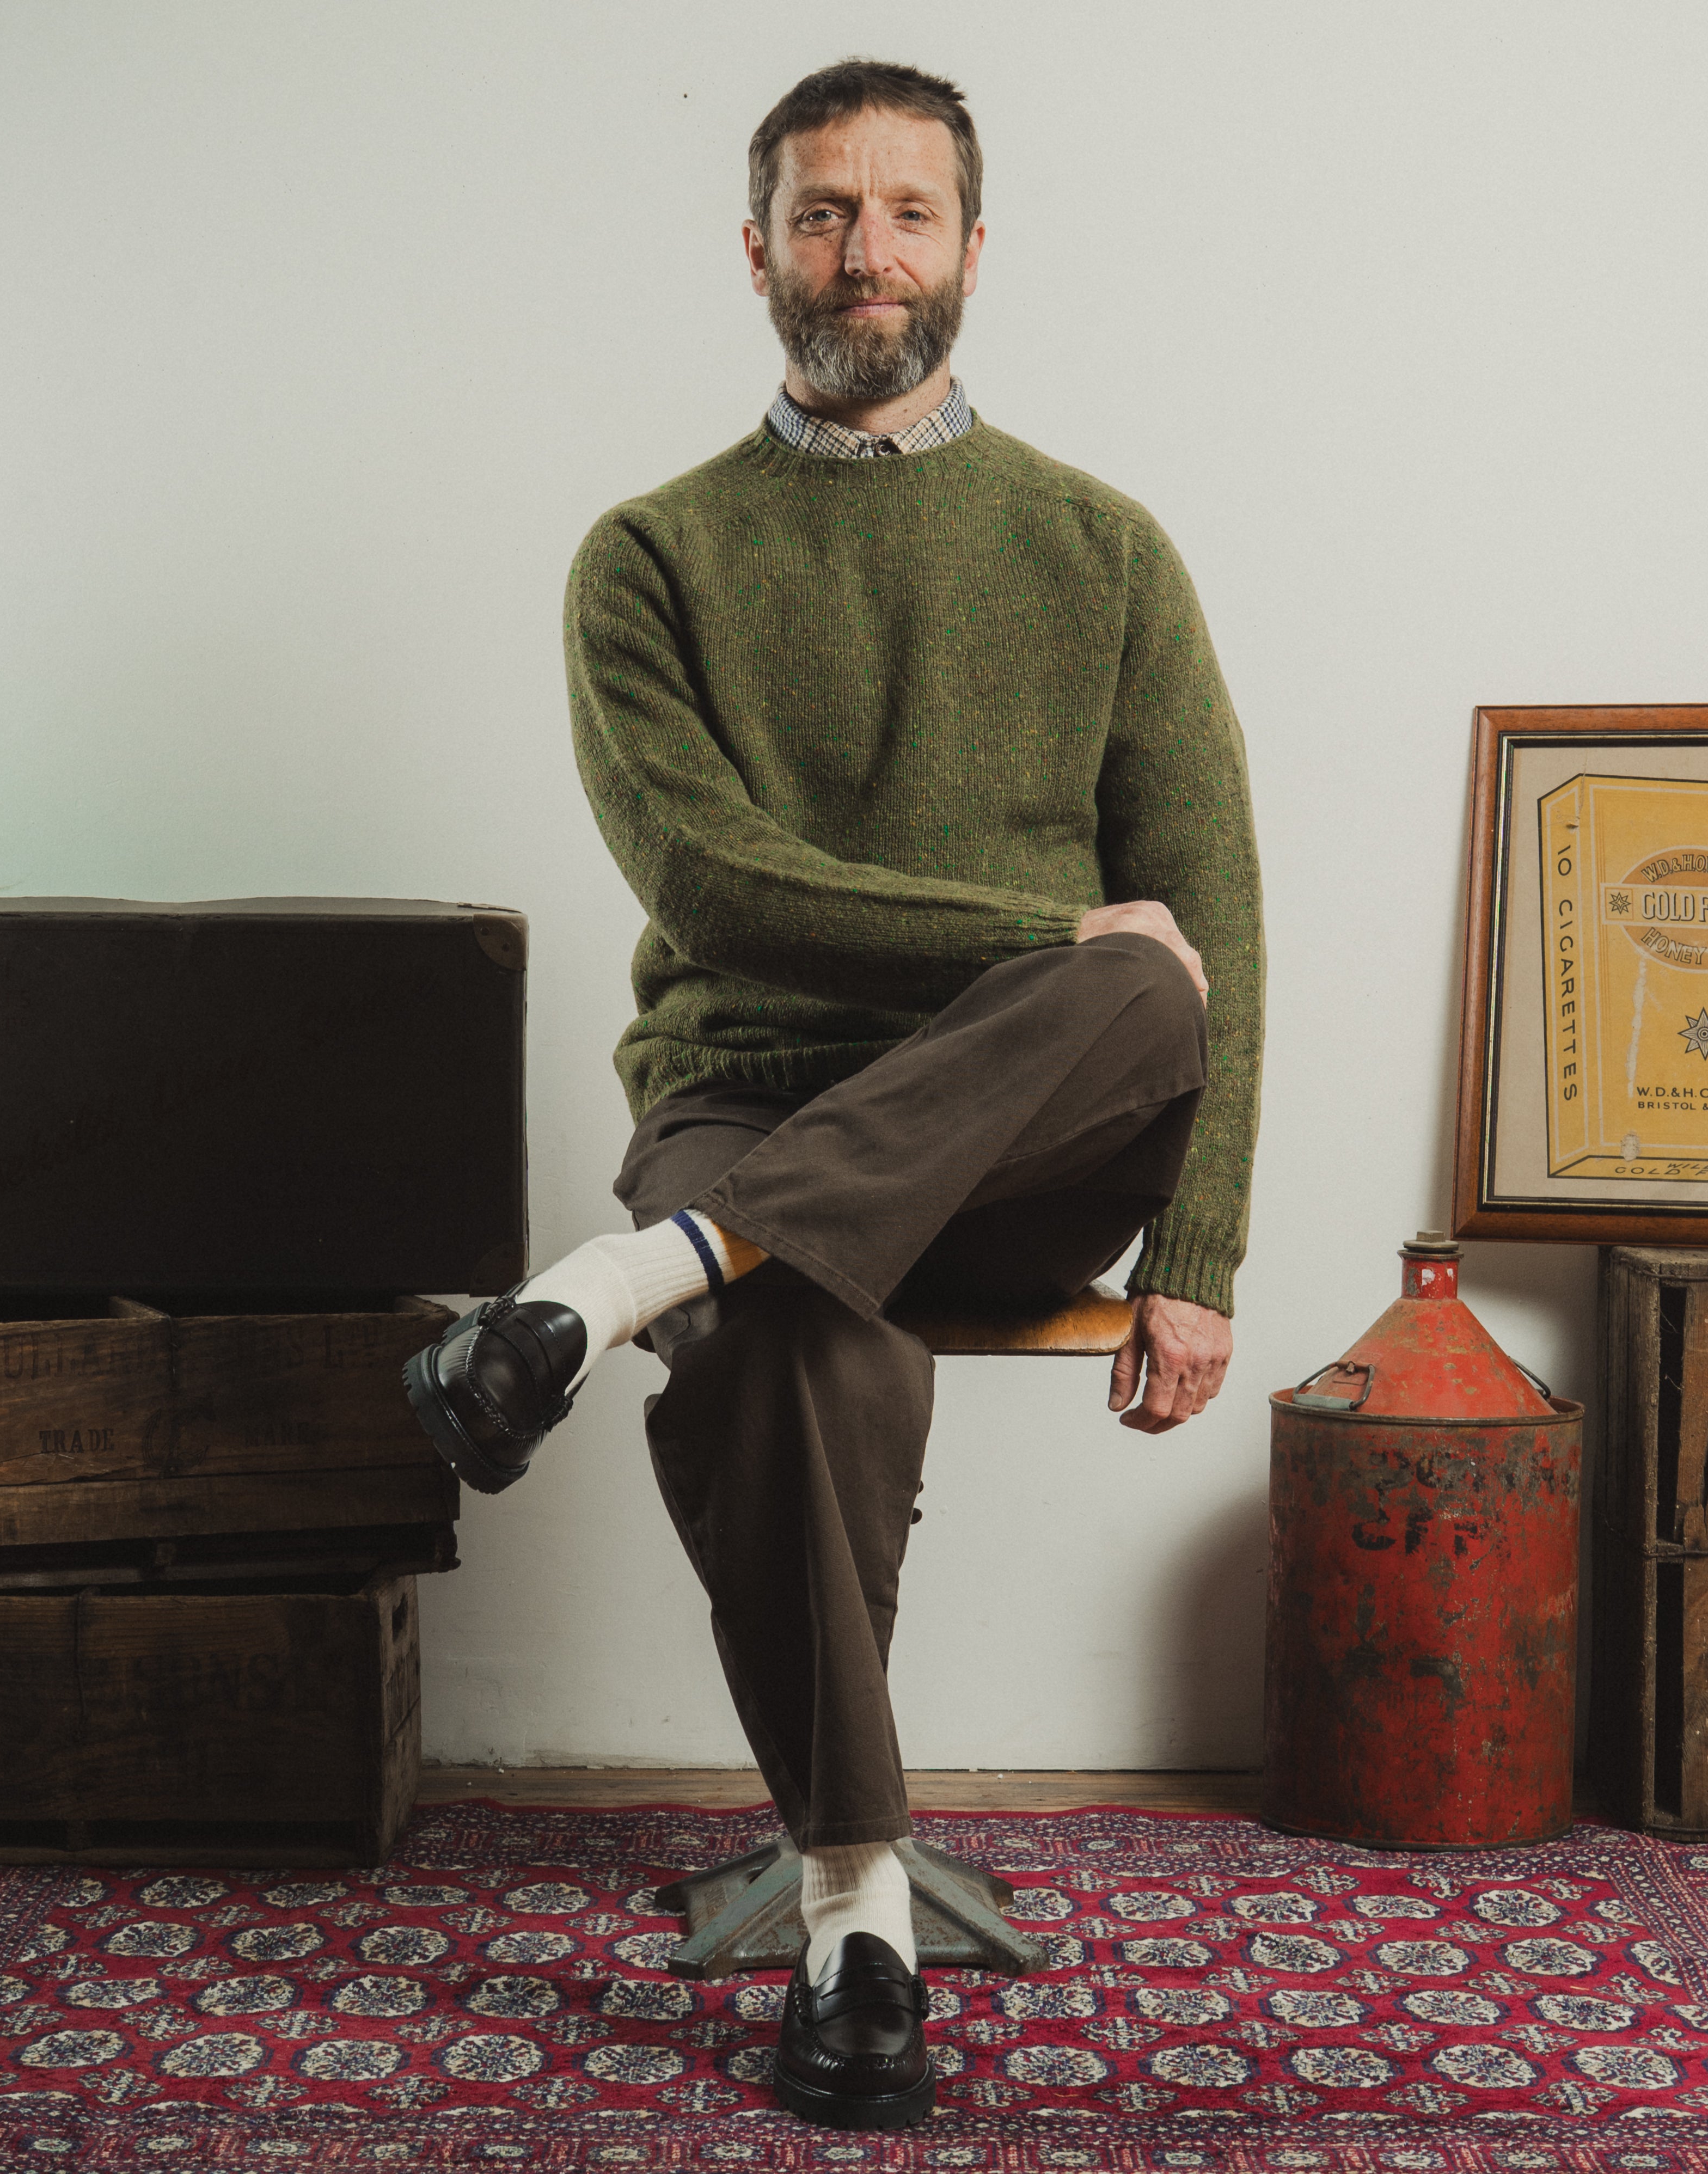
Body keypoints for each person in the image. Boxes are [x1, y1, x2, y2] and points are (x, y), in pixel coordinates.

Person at [406, 56, 1264, 2132]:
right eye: (820, 213)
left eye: (903, 212)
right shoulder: (653, 555)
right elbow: (713, 879)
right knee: (792, 1322)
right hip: (751, 1080)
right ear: (757, 249)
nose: (861, 252)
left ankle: (615, 1285)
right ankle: (854, 1908)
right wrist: (1047, 935)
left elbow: (1202, 928)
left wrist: (1199, 1245)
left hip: (1036, 1128)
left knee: (1149, 986)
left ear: (973, 246)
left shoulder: (1101, 548)